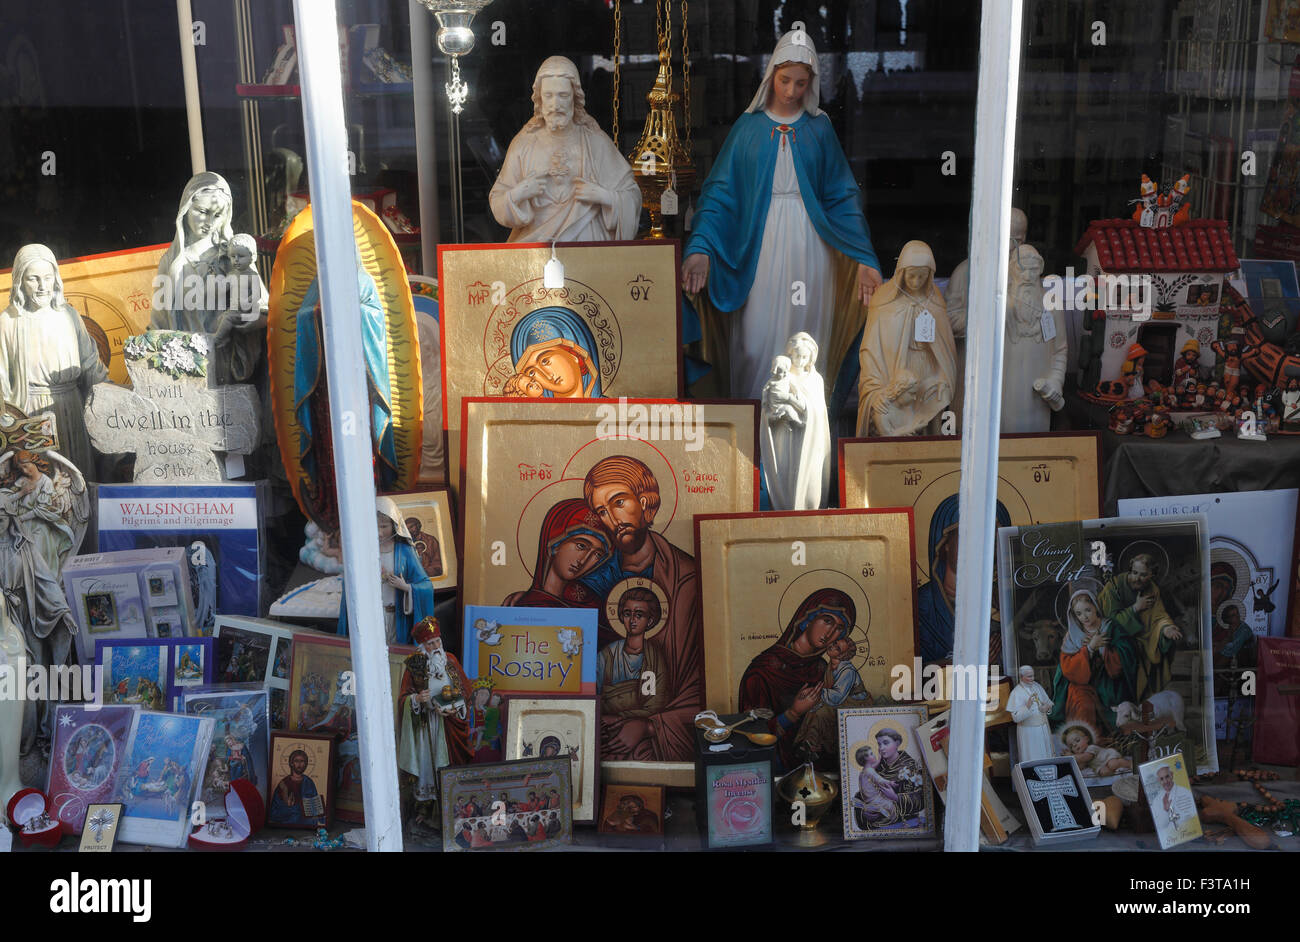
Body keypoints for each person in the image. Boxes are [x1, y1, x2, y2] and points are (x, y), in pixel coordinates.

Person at [682, 30, 881, 402]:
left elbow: (842, 196)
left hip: (811, 246)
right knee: (755, 342)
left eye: (800, 83)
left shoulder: (819, 128)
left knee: (806, 344)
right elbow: (720, 194)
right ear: (771, 75)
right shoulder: (748, 129)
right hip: (759, 245)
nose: (791, 91)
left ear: (811, 83)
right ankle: (753, 442)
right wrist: (702, 247)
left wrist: (863, 257)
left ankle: (804, 445)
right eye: (785, 80)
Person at [578, 456, 702, 762]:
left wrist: (649, 726)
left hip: (658, 725)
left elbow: (701, 681)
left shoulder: (685, 577)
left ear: (646, 502)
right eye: (602, 511)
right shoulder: (593, 583)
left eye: (619, 502)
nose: (612, 519)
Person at [489, 56, 640, 243]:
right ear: (540, 99)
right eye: (548, 96)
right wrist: (520, 192)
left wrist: (604, 196)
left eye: (563, 95)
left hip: (589, 250)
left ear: (575, 98)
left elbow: (631, 196)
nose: (555, 104)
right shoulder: (524, 143)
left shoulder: (594, 141)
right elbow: (498, 201)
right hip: (535, 251)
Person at [0, 244, 109, 481]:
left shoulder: (68, 315)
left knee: (75, 478)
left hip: (70, 406)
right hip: (30, 414)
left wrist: (111, 396)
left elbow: (90, 364)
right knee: (40, 482)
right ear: (20, 281)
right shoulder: (8, 322)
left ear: (56, 279)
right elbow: (1, 381)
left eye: (48, 278)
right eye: (33, 279)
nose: (42, 286)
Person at [151, 173, 265, 385]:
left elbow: (262, 307)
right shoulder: (171, 262)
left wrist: (241, 321)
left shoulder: (234, 255)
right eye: (202, 212)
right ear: (186, 208)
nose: (209, 222)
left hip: (225, 362)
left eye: (218, 215)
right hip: (186, 368)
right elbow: (158, 323)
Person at [738, 587, 855, 771]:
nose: (830, 632)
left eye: (839, 628)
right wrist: (793, 712)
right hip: (777, 771)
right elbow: (750, 734)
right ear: (806, 619)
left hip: (815, 771)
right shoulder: (763, 670)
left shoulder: (822, 669)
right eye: (827, 620)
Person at [858, 240, 957, 437]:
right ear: (901, 273)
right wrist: (876, 390)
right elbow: (871, 350)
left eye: (922, 276)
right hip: (894, 373)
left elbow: (946, 351)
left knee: (939, 398)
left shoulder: (934, 299)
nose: (916, 282)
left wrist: (942, 378)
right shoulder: (883, 300)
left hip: (928, 371)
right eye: (911, 276)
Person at [916, 494, 1011, 665]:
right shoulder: (919, 607)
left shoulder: (1005, 603)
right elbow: (910, 673)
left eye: (989, 538)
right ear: (944, 544)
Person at [396, 617, 472, 825]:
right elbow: (403, 698)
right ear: (423, 646)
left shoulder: (451, 660)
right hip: (426, 726)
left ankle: (452, 807)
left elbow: (466, 690)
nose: (436, 647)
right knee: (427, 767)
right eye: (430, 644)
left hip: (448, 725)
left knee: (447, 765)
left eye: (437, 641)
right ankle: (426, 809)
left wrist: (456, 707)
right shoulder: (415, 666)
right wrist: (417, 699)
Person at [337, 497, 435, 645]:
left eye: (384, 526)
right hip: (370, 617)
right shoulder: (363, 552)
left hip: (396, 617)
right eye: (375, 526)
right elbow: (349, 583)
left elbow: (426, 586)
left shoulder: (405, 551)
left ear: (394, 525)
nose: (380, 532)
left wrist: (407, 587)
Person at [1049, 587, 1141, 734]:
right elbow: (1067, 667)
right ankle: (1085, 739)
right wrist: (1090, 649)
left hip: (1109, 681)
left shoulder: (1111, 627)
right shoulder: (1073, 635)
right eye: (1079, 613)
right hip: (1081, 683)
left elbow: (1127, 652)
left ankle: (1114, 737)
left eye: (1088, 610)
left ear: (1096, 607)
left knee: (1113, 703)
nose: (1084, 617)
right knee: (1083, 702)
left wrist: (1104, 650)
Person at [1096, 553, 1182, 701]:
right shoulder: (1113, 587)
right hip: (1116, 642)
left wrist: (1166, 628)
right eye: (1134, 573)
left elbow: (1159, 615)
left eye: (1143, 575)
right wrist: (1135, 608)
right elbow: (1109, 622)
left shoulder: (1152, 589)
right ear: (1130, 569)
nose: (1137, 578)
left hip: (1143, 641)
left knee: (1153, 653)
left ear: (1152, 575)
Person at [762, 332, 831, 510]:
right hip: (784, 436)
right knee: (786, 476)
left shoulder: (816, 380)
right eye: (796, 356)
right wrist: (778, 412)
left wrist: (799, 408)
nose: (800, 360)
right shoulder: (780, 379)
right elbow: (768, 407)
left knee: (810, 485)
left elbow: (819, 412)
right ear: (789, 355)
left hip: (810, 440)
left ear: (810, 358)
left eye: (804, 357)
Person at [503, 498, 610, 607]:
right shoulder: (522, 603)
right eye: (581, 546)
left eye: (597, 555)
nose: (583, 560)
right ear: (555, 544)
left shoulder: (591, 603)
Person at [596, 585, 666, 724]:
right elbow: (593, 695)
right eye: (628, 614)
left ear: (650, 621)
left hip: (638, 725)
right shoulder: (607, 654)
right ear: (622, 617)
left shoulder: (654, 658)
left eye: (639, 615)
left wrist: (622, 716)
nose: (632, 620)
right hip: (606, 725)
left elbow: (655, 704)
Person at [508, 307, 604, 399]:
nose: (547, 376)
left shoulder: (611, 409)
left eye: (545, 361)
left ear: (574, 355)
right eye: (532, 373)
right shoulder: (538, 415)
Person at [872, 727, 925, 821]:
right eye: (879, 744)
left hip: (906, 821)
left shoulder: (911, 767)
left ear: (897, 743)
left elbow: (921, 799)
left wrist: (896, 797)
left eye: (886, 743)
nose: (881, 748)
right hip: (881, 820)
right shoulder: (878, 768)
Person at [1008, 664, 1055, 762]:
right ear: (1021, 677)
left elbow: (1049, 703)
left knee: (1047, 758)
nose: (1032, 679)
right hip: (1029, 733)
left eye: (1033, 676)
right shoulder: (1016, 693)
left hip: (1043, 730)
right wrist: (1027, 707)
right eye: (1029, 676)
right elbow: (1015, 718)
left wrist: (1046, 708)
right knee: (1033, 759)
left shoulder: (1037, 686)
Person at [268, 749, 325, 827]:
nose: (299, 764)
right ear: (291, 763)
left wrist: (321, 816)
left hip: (307, 825)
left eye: (302, 761)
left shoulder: (309, 782)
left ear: (306, 764)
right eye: (296, 761)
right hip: (288, 823)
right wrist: (290, 807)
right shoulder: (284, 784)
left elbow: (315, 809)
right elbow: (274, 813)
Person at [852, 744, 902, 829]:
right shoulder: (870, 771)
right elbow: (880, 780)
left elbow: (874, 766)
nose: (873, 755)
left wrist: (879, 758)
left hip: (869, 798)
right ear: (866, 758)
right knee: (890, 805)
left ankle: (880, 815)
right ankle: (887, 822)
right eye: (871, 754)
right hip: (874, 798)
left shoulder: (865, 770)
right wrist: (890, 783)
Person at [1062, 722, 1130, 777]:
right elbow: (1082, 766)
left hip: (1107, 757)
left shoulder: (1091, 748)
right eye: (1071, 746)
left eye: (1077, 740)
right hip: (1099, 766)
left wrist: (1071, 756)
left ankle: (1129, 764)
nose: (1075, 745)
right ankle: (1117, 774)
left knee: (1113, 764)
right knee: (1104, 773)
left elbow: (1086, 757)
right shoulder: (1080, 756)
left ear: (1086, 739)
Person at [1152, 763, 1197, 839]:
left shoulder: (1186, 792)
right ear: (1158, 780)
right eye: (1162, 779)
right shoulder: (1156, 800)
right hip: (1168, 839)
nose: (1165, 781)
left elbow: (1192, 819)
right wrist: (1165, 810)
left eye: (1167, 777)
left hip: (1187, 835)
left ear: (1172, 775)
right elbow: (1159, 826)